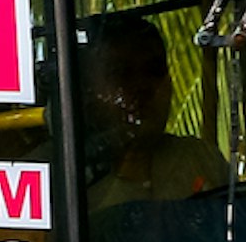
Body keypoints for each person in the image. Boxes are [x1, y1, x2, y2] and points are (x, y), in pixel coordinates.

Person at [80, 16, 227, 211]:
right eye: (121, 73)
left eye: (154, 71)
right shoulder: (55, 174)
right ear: (89, 90)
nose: (142, 87)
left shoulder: (199, 159)